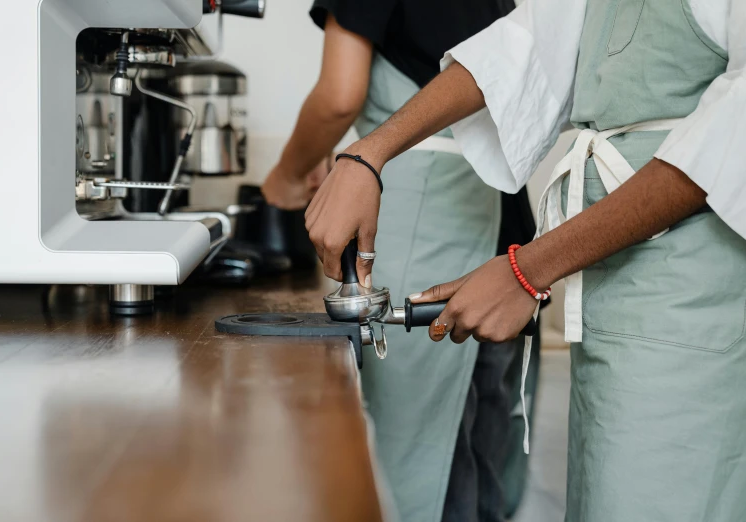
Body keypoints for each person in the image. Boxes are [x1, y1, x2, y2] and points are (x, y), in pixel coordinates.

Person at [304, 0, 746, 520]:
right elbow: (522, 47)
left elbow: (728, 142)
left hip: (693, 291)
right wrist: (368, 155)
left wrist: (528, 269)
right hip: (611, 284)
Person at [261, 1, 538, 521]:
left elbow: (338, 98)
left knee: (422, 457)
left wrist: (284, 178)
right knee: (481, 454)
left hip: (425, 218)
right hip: (506, 228)